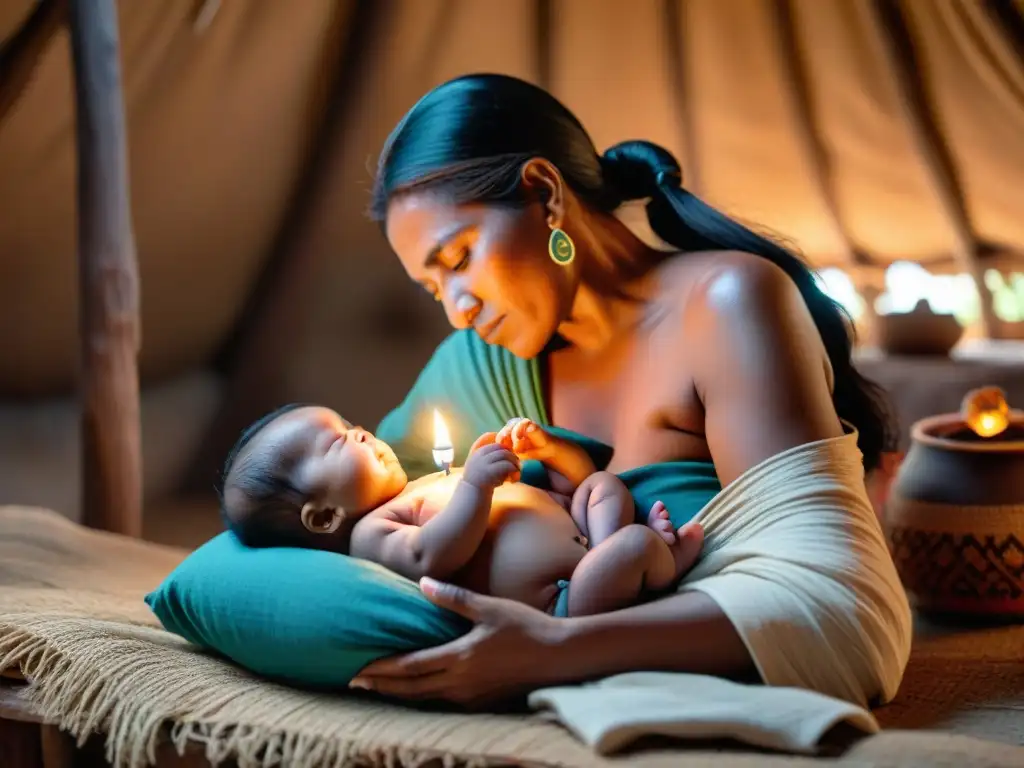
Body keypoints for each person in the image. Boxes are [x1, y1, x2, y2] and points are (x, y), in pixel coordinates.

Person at [352, 73, 904, 707]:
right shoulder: (479, 365)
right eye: (432, 288)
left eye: (458, 259)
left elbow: (849, 616)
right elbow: (329, 507)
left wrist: (554, 649)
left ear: (544, 194)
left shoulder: (724, 305)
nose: (457, 310)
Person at [220, 404, 703, 618]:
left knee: (599, 485)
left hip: (585, 534)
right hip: (567, 601)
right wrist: (474, 486)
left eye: (349, 423)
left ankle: (614, 546)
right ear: (324, 518)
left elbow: (568, 484)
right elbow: (433, 556)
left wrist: (545, 451)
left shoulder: (427, 482)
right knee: (634, 544)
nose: (361, 430)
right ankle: (660, 562)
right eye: (337, 441)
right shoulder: (374, 532)